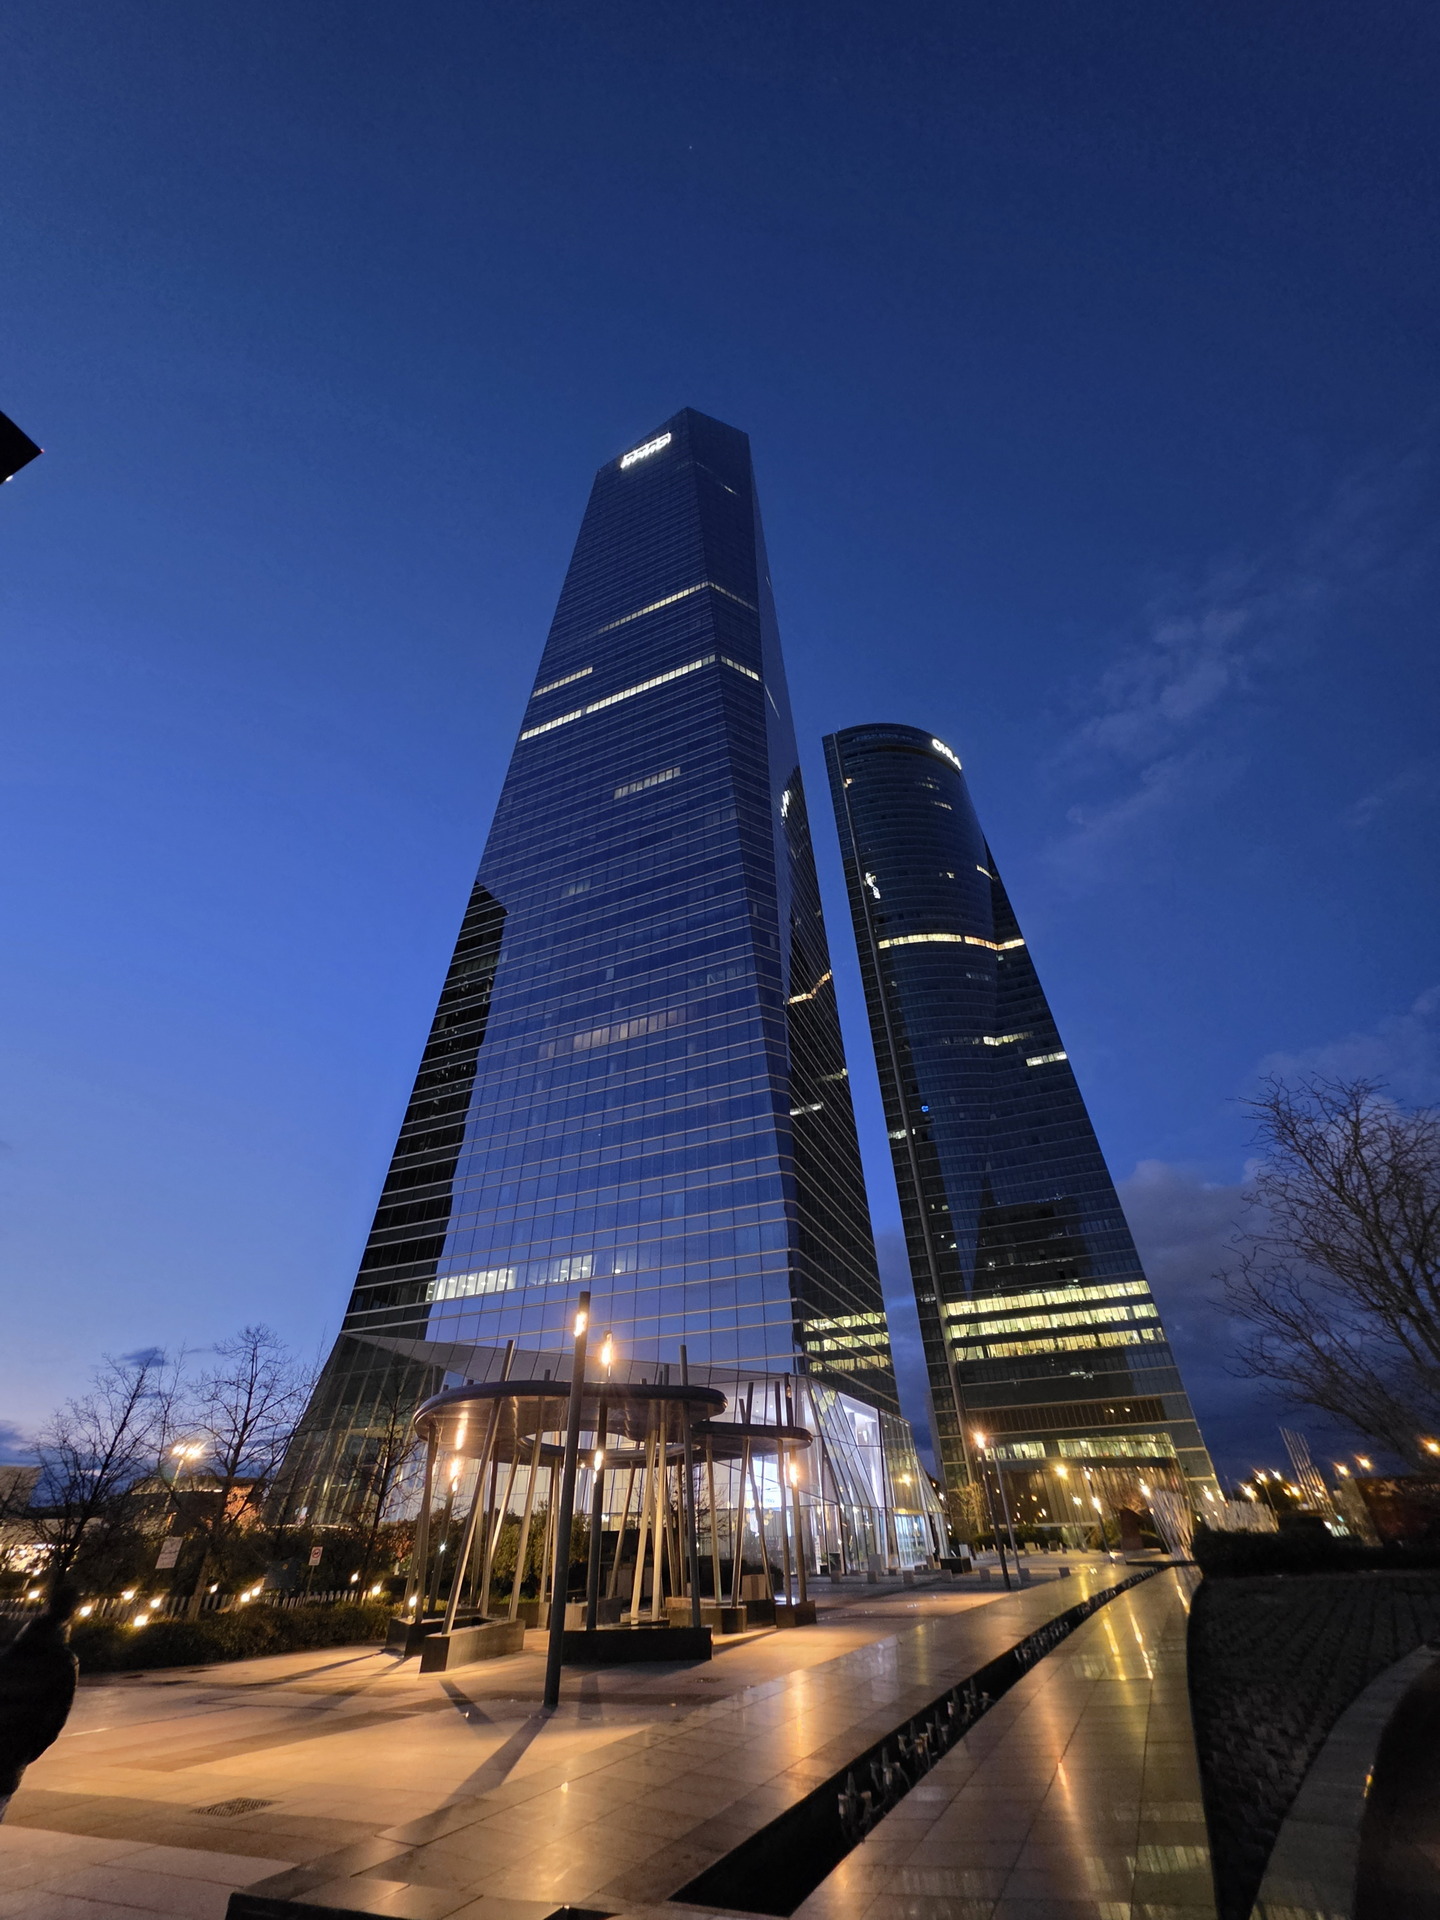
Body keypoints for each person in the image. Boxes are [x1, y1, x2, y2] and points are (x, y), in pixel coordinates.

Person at [0, 1584, 80, 1821]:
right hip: (9, 1760)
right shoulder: (64, 1663)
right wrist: (24, 1753)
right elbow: (53, 1721)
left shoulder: (7, 1655)